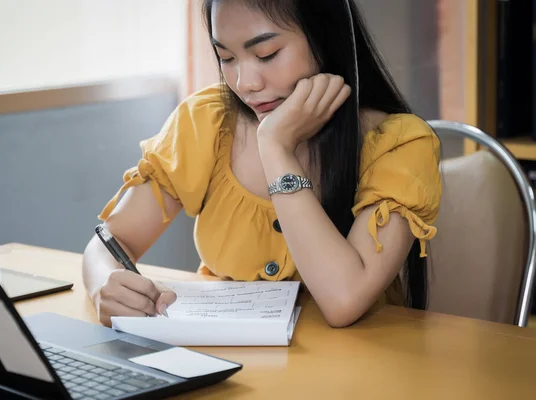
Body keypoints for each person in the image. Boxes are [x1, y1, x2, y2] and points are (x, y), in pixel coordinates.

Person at [82, 0, 442, 328]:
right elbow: (111, 243)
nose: (245, 83)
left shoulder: (400, 144)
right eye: (226, 58)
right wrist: (103, 285)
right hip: (233, 367)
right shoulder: (207, 121)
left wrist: (275, 148)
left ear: (325, 39)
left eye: (267, 54)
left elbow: (343, 301)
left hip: (360, 372)